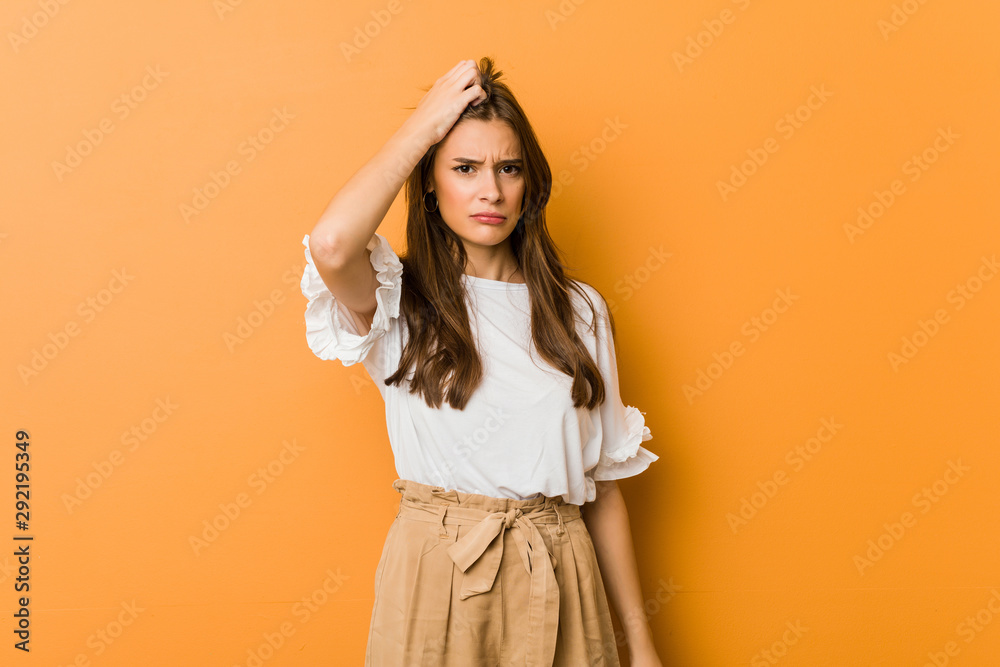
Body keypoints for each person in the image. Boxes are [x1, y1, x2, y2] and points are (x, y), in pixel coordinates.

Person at [300, 57, 663, 666]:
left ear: (529, 183)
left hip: (560, 570)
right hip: (436, 574)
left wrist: (642, 646)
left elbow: (601, 490)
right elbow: (332, 245)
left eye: (508, 168)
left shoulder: (580, 311)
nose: (491, 190)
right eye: (464, 168)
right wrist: (424, 126)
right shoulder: (396, 299)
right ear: (430, 181)